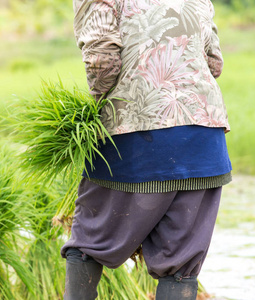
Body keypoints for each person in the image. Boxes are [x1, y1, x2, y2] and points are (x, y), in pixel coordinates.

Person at [61, 0, 231, 299]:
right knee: (181, 264)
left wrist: (95, 107)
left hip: (137, 135)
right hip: (204, 140)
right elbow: (214, 62)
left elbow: (102, 61)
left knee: (89, 241)